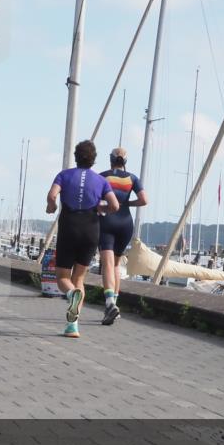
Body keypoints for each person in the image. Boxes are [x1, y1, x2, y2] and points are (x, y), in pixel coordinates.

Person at [46, 140, 120, 338]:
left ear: (76, 156)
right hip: (91, 230)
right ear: (93, 159)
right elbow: (114, 205)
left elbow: (52, 196)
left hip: (69, 227)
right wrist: (101, 208)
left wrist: (51, 207)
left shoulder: (64, 175)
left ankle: (70, 296)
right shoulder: (101, 181)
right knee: (78, 279)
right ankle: (72, 326)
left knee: (63, 278)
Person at [98, 147, 148, 325]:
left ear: (110, 159)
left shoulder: (102, 176)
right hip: (126, 223)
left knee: (108, 265)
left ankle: (110, 303)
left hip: (107, 222)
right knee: (117, 265)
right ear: (125, 161)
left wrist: (102, 208)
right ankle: (115, 307)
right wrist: (127, 202)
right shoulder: (133, 178)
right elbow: (144, 200)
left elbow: (94, 199)